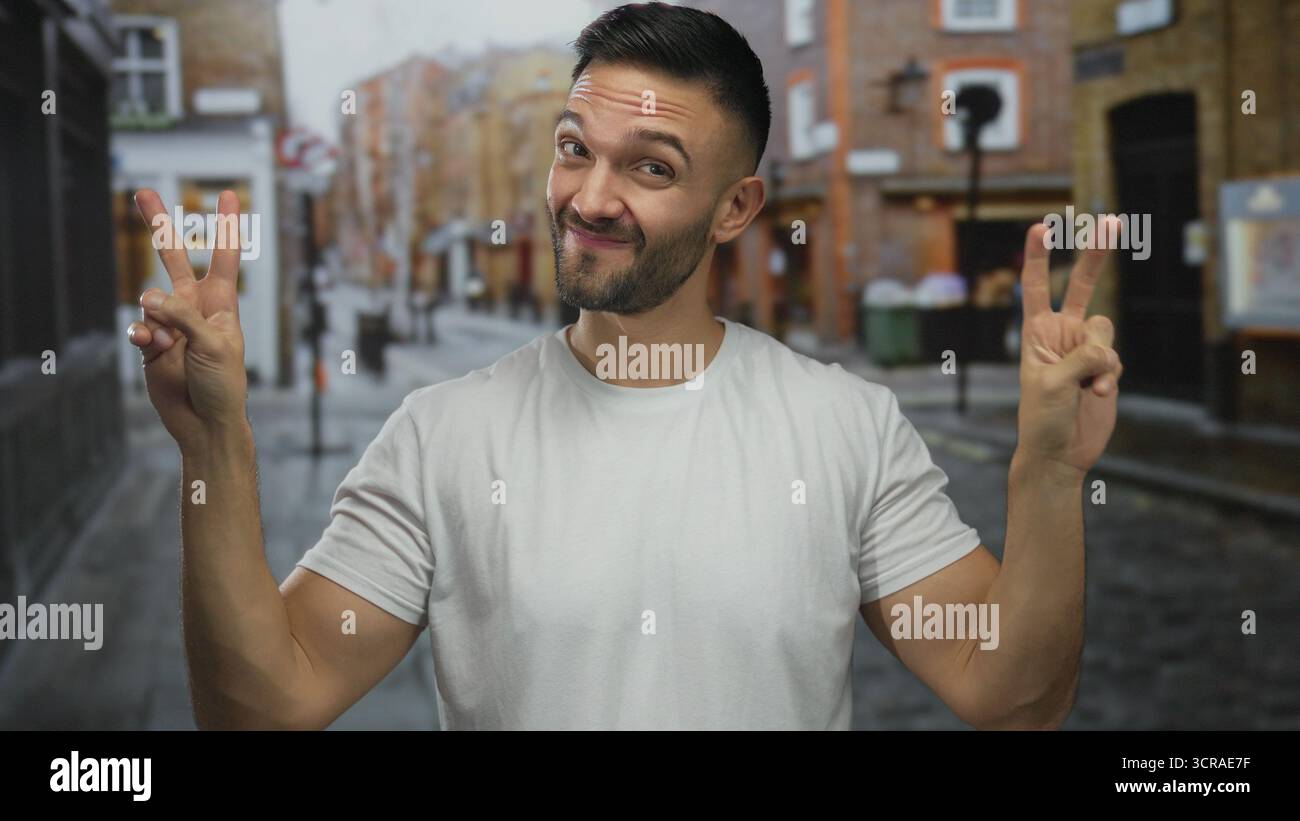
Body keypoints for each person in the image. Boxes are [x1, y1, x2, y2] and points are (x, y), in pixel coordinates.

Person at [125, 2, 1123, 730]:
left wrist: (1045, 473)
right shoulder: (443, 436)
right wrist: (215, 442)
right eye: (574, 149)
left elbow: (1010, 693)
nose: (589, 197)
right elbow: (265, 700)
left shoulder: (843, 425)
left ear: (735, 207)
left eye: (649, 166)